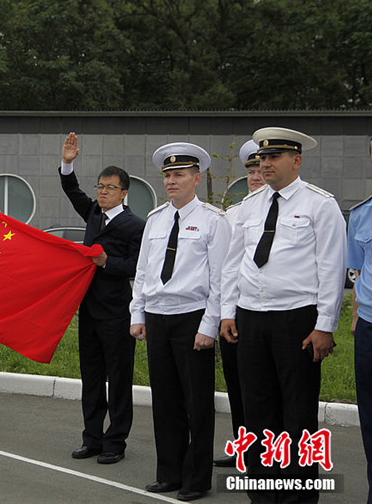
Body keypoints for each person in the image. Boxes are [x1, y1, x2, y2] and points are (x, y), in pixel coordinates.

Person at [220, 127, 346, 504]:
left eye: (274, 157)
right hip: (251, 318)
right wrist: (228, 312)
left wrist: (325, 325)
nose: (265, 164)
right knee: (257, 411)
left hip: (297, 320)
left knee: (297, 414)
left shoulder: (319, 205)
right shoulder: (251, 205)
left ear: (297, 161)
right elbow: (233, 264)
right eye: (262, 158)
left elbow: (332, 269)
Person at [130, 143, 230, 502]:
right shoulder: (155, 219)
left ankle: (196, 478)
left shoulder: (213, 221)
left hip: (192, 320)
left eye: (179, 174)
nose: (172, 181)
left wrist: (209, 325)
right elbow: (142, 273)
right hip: (158, 319)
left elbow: (221, 279)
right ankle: (169, 472)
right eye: (168, 175)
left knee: (197, 402)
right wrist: (137, 314)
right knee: (166, 401)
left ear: (196, 178)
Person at [56, 133, 145, 462]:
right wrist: (68, 162)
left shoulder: (136, 226)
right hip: (89, 311)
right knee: (91, 378)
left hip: (117, 313)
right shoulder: (93, 213)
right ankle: (91, 437)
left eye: (110, 188)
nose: (102, 192)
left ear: (124, 192)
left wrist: (108, 263)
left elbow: (137, 267)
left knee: (118, 380)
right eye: (100, 186)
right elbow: (71, 189)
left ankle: (115, 443)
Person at [213, 138, 264, 468]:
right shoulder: (231, 215)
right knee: (237, 386)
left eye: (261, 169)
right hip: (233, 314)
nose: (256, 176)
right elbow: (222, 269)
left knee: (265, 389)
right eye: (251, 170)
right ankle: (246, 450)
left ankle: (270, 454)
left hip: (268, 315)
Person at [349, 133, 372, 504]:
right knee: (371, 418)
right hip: (370, 327)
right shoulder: (361, 214)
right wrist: (355, 316)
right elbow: (356, 274)